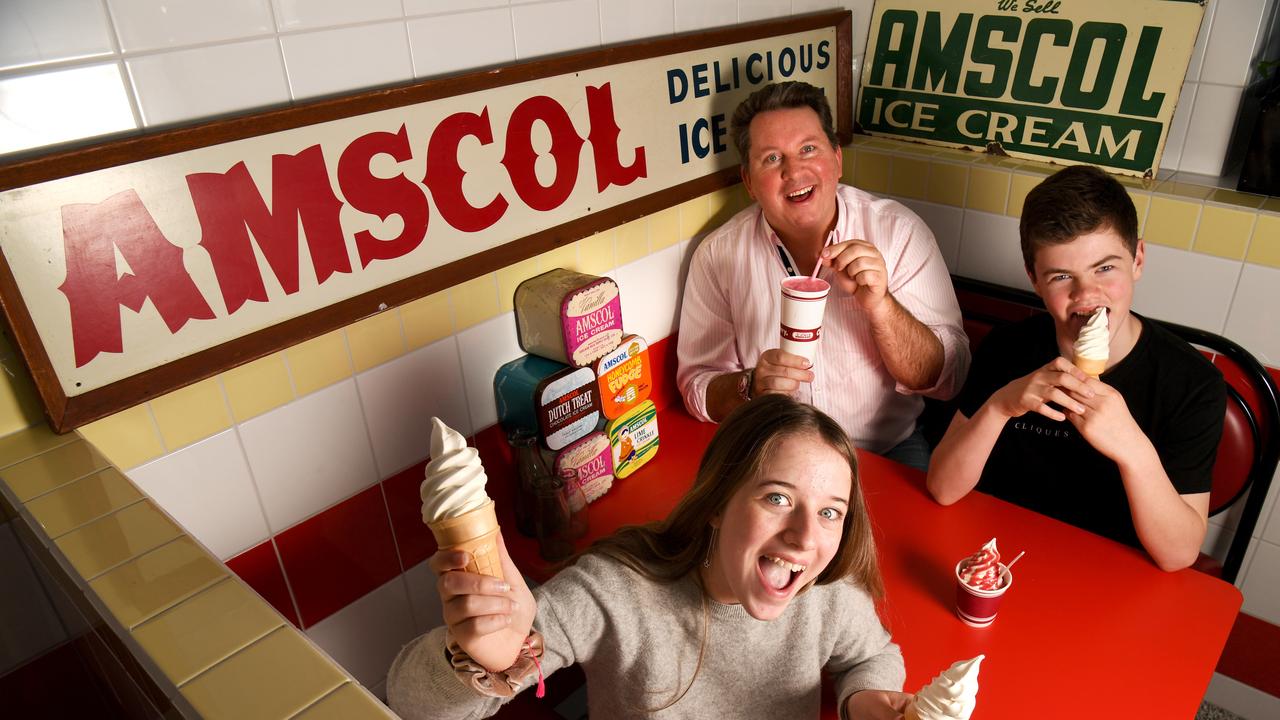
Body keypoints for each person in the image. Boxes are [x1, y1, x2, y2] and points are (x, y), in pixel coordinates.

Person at [388, 394, 908, 719]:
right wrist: (476, 656)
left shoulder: (826, 589)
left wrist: (864, 701)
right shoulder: (617, 592)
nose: (803, 538)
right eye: (777, 498)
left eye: (830, 513)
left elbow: (872, 654)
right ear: (717, 504)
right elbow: (411, 703)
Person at [926, 165, 1226, 571]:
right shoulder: (1008, 349)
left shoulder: (1192, 383)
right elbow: (943, 489)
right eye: (1062, 276)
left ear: (1137, 259)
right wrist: (1001, 406)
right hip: (994, 557)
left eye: (1105, 268)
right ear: (1034, 279)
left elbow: (1177, 555)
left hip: (1111, 572)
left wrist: (1132, 448)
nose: (1086, 294)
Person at [677, 81, 969, 472]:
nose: (794, 171)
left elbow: (950, 378)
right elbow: (698, 388)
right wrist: (750, 386)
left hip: (883, 452)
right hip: (773, 456)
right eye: (771, 159)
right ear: (749, 183)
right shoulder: (717, 255)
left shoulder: (898, 231)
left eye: (808, 149)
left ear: (836, 160)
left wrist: (882, 308)